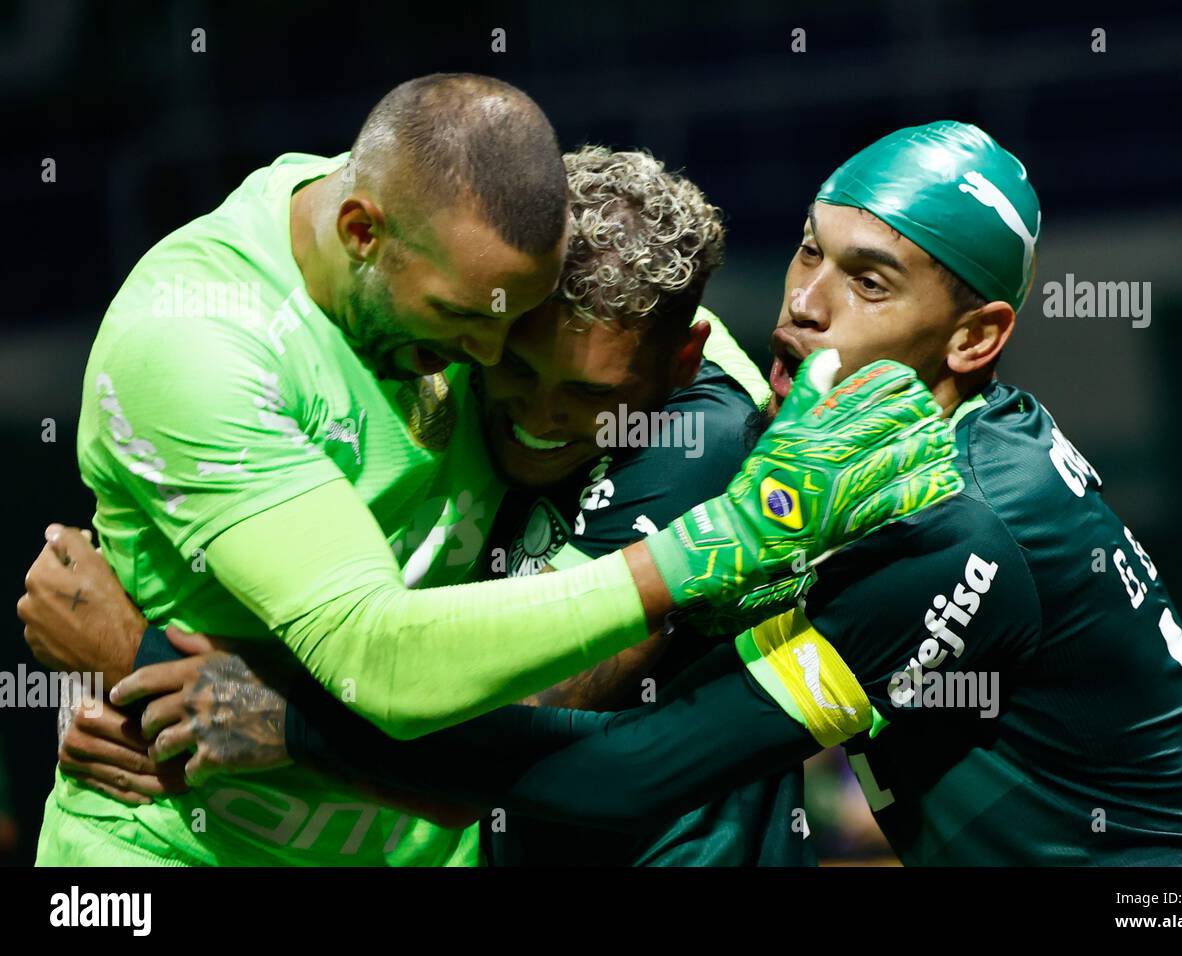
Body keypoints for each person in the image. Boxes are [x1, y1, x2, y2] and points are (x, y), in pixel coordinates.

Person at [69, 121, 1182, 866]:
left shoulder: (944, 520)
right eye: (809, 249)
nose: (807, 300)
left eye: (870, 279)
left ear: (975, 336)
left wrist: (216, 690)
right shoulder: (814, 441)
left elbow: (607, 763)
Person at [18, 77, 961, 866]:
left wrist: (150, 660)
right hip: (166, 849)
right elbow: (374, 653)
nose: (503, 365)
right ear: (360, 231)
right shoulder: (203, 341)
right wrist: (713, 549)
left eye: (518, 325)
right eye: (485, 336)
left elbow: (532, 716)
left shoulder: (643, 393)